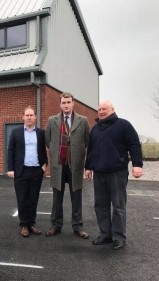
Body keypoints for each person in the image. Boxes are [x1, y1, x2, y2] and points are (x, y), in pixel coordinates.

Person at [85, 100, 143, 250]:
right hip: (99, 173)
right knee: (100, 206)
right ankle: (105, 235)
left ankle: (119, 237)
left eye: (104, 109)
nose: (101, 111)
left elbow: (134, 144)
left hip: (117, 172)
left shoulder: (124, 125)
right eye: (99, 109)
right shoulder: (95, 129)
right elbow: (91, 150)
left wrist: (137, 165)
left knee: (118, 206)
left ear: (112, 110)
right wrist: (88, 167)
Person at [44, 92, 90, 239]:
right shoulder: (52, 120)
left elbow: (87, 141)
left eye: (68, 102)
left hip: (75, 165)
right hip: (59, 165)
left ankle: (78, 226)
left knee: (76, 196)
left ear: (73, 103)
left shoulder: (83, 121)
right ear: (60, 104)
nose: (66, 105)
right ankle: (56, 225)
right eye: (63, 103)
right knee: (57, 197)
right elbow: (47, 140)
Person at [7, 106, 48, 237]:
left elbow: (43, 150)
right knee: (22, 199)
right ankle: (24, 225)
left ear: (35, 117)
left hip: (36, 171)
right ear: (23, 117)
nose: (29, 117)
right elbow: (10, 150)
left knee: (33, 199)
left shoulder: (41, 133)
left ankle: (31, 224)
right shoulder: (16, 132)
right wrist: (11, 168)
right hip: (21, 171)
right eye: (27, 115)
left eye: (31, 115)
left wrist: (44, 165)